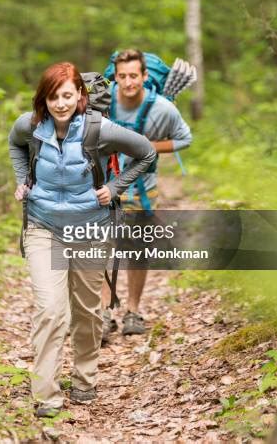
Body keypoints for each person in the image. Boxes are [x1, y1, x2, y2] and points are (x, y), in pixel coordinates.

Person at [8, 61, 156, 417]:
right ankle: (46, 395)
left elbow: (146, 153)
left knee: (87, 312)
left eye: (67, 96)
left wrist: (114, 188)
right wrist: (22, 179)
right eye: (53, 96)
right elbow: (15, 145)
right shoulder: (28, 126)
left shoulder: (98, 129)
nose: (60, 103)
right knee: (50, 309)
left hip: (90, 228)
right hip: (43, 227)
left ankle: (85, 379)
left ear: (80, 97)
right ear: (44, 98)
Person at [101, 49, 192, 341]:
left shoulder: (163, 108)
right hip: (105, 182)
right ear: (115, 77)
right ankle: (104, 312)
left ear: (144, 76)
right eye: (122, 76)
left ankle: (133, 311)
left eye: (134, 76)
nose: (128, 82)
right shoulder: (102, 101)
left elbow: (184, 138)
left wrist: (147, 146)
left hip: (143, 185)